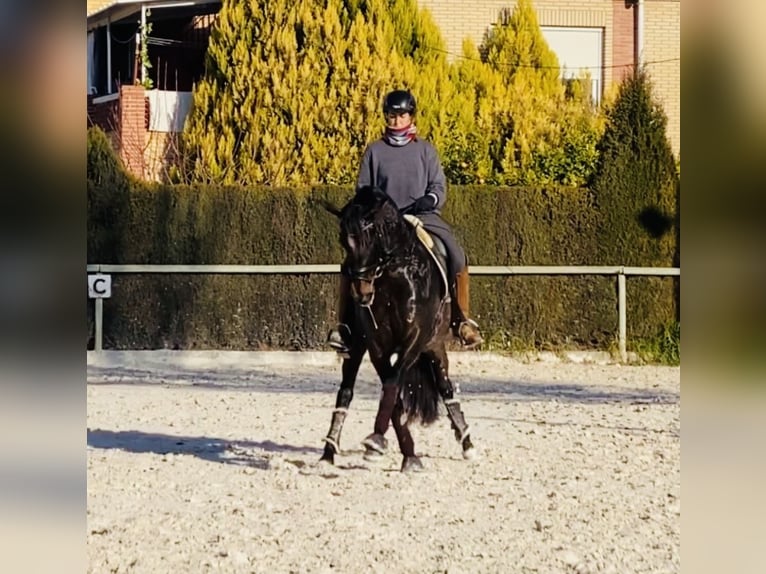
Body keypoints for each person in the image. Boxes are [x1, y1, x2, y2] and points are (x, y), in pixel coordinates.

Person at [327, 89, 482, 353]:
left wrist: (430, 200)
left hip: (421, 217)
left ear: (411, 116)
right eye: (391, 116)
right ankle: (346, 327)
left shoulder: (425, 150)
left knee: (456, 254)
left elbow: (438, 186)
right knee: (352, 264)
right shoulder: (375, 151)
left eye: (401, 115)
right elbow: (364, 189)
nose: (396, 121)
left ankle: (461, 319)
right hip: (383, 224)